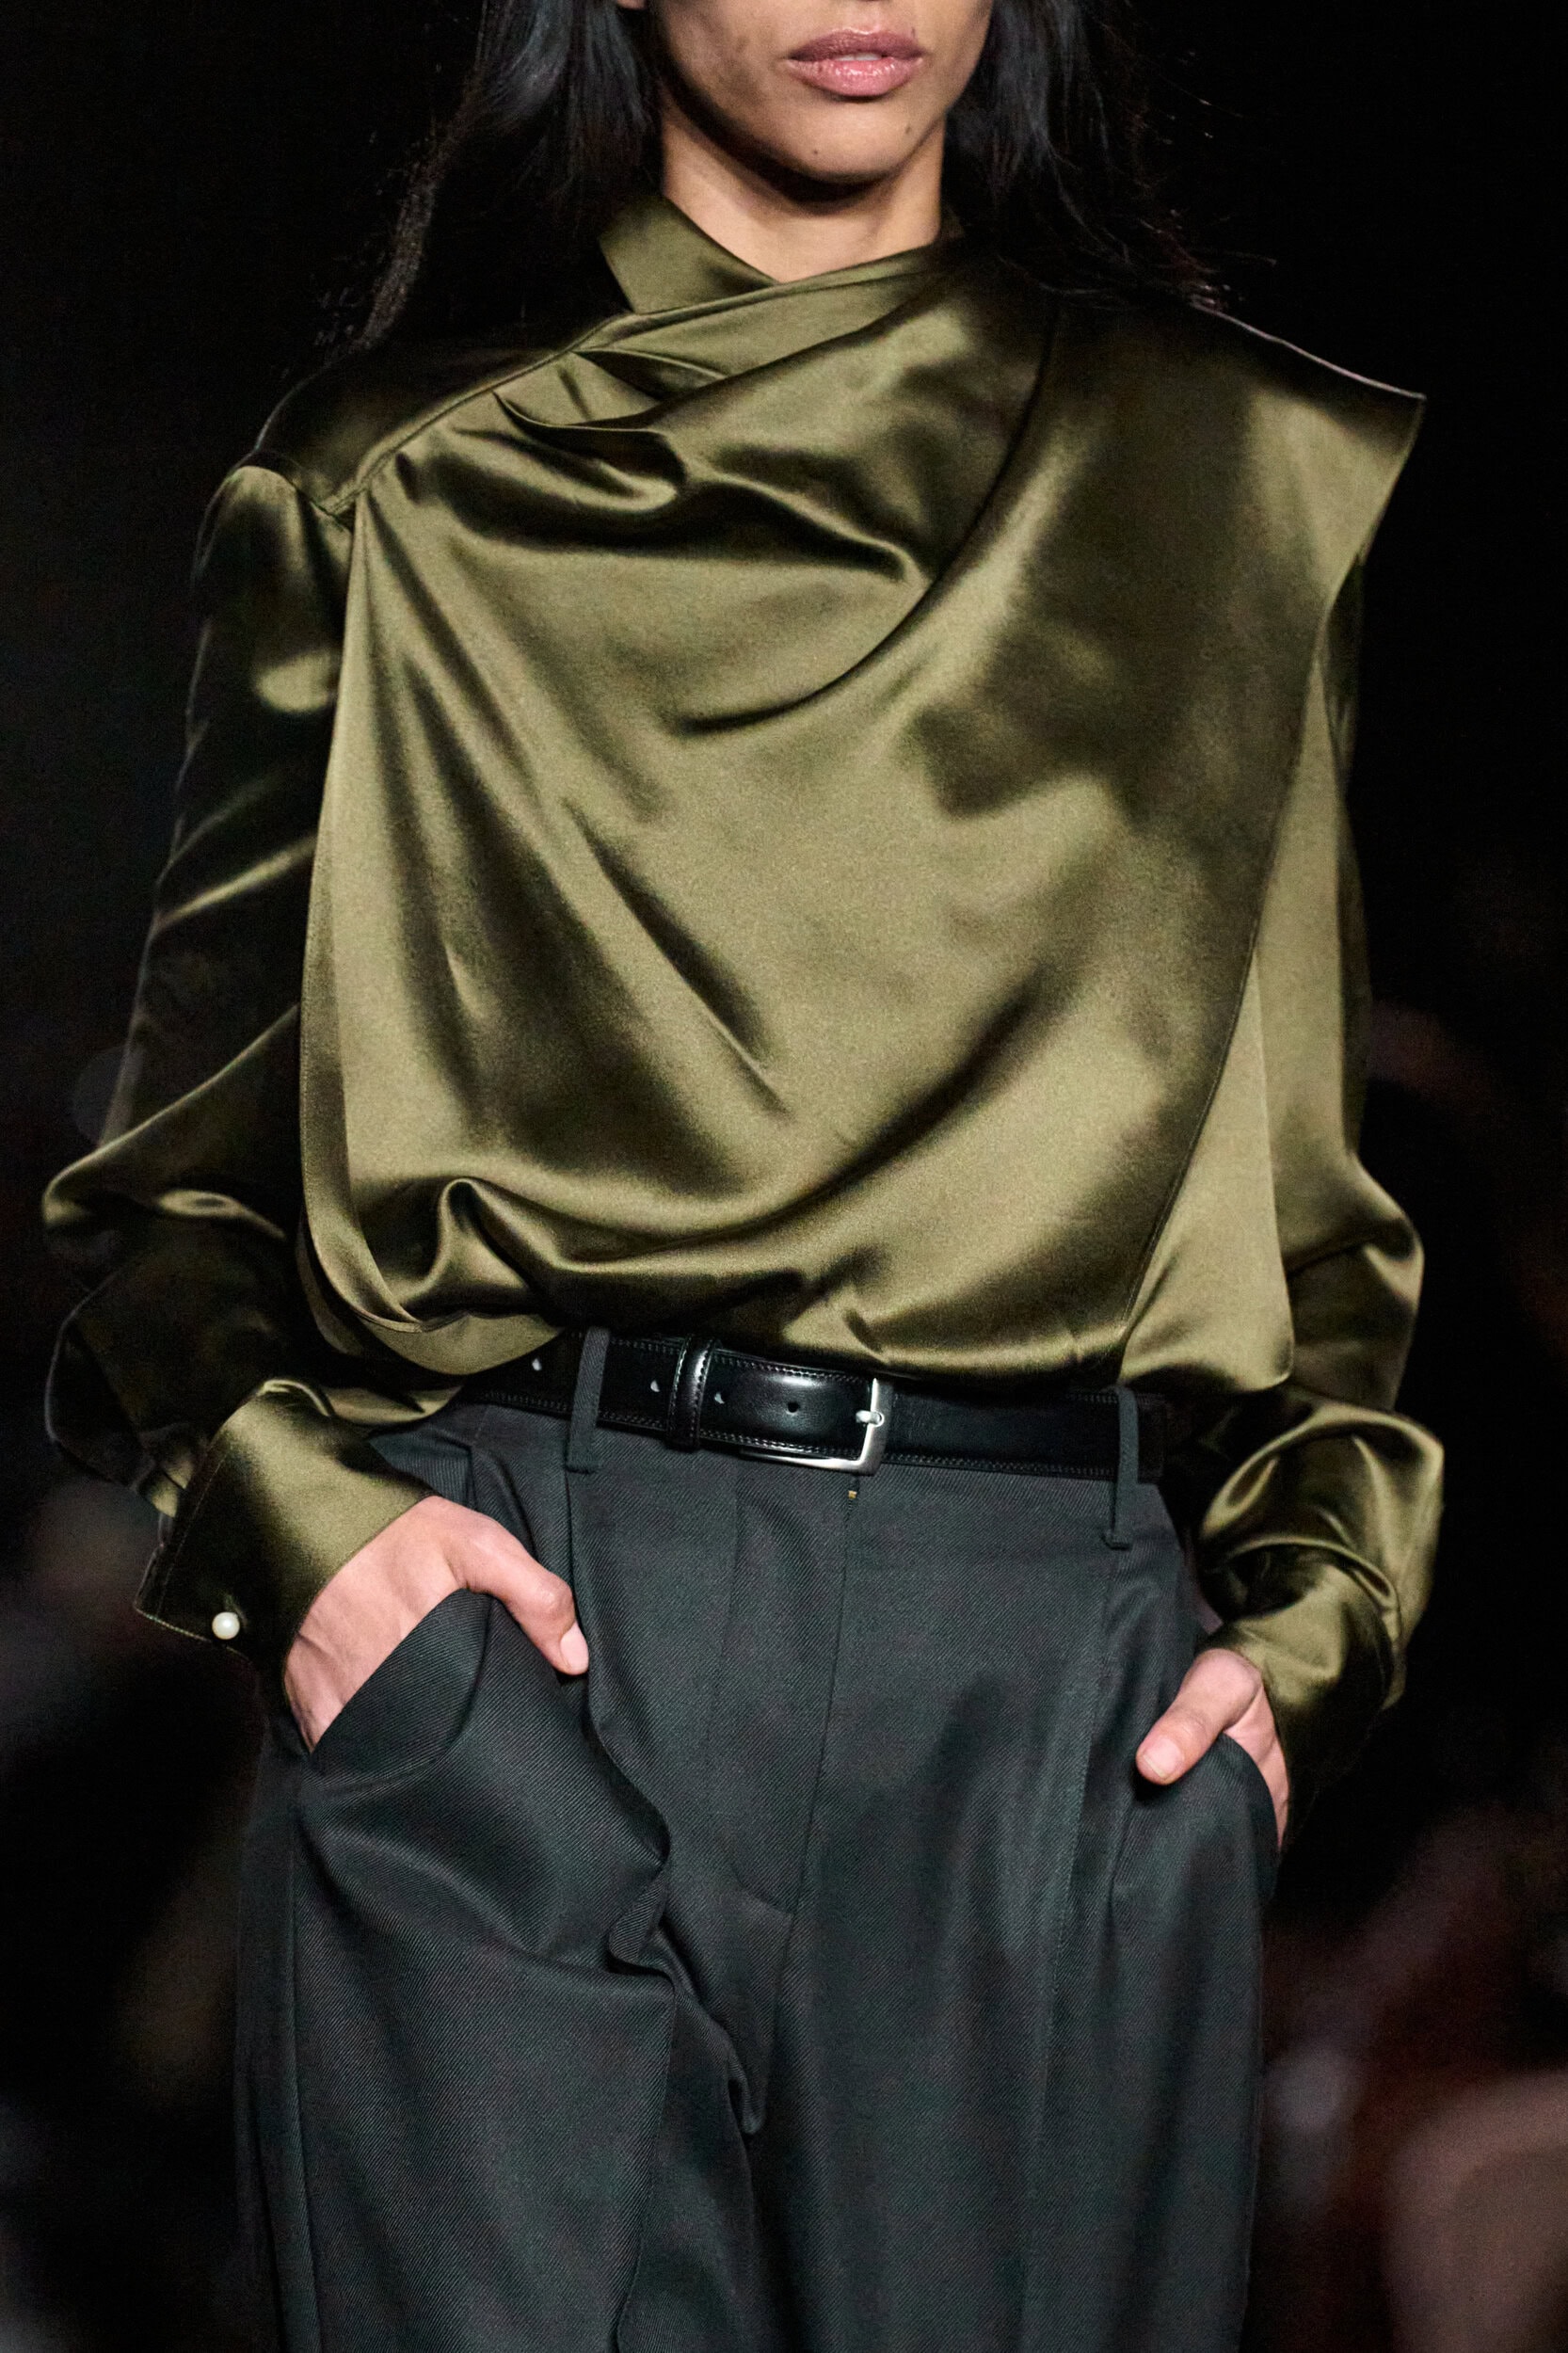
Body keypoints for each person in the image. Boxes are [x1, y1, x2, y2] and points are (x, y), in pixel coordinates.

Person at [43, 0, 1443, 2345]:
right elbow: (176, 1193)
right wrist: (310, 1545)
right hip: (524, 1627)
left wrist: (1314, 1628)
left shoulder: (1229, 469)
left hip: (1042, 1698)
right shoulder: (397, 488)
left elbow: (1299, 1198)